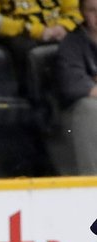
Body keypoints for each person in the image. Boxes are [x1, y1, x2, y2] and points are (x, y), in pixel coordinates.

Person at [56, 0, 97, 172]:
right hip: (77, 116)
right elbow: (74, 86)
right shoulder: (71, 43)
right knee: (90, 108)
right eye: (92, 10)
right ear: (82, 13)